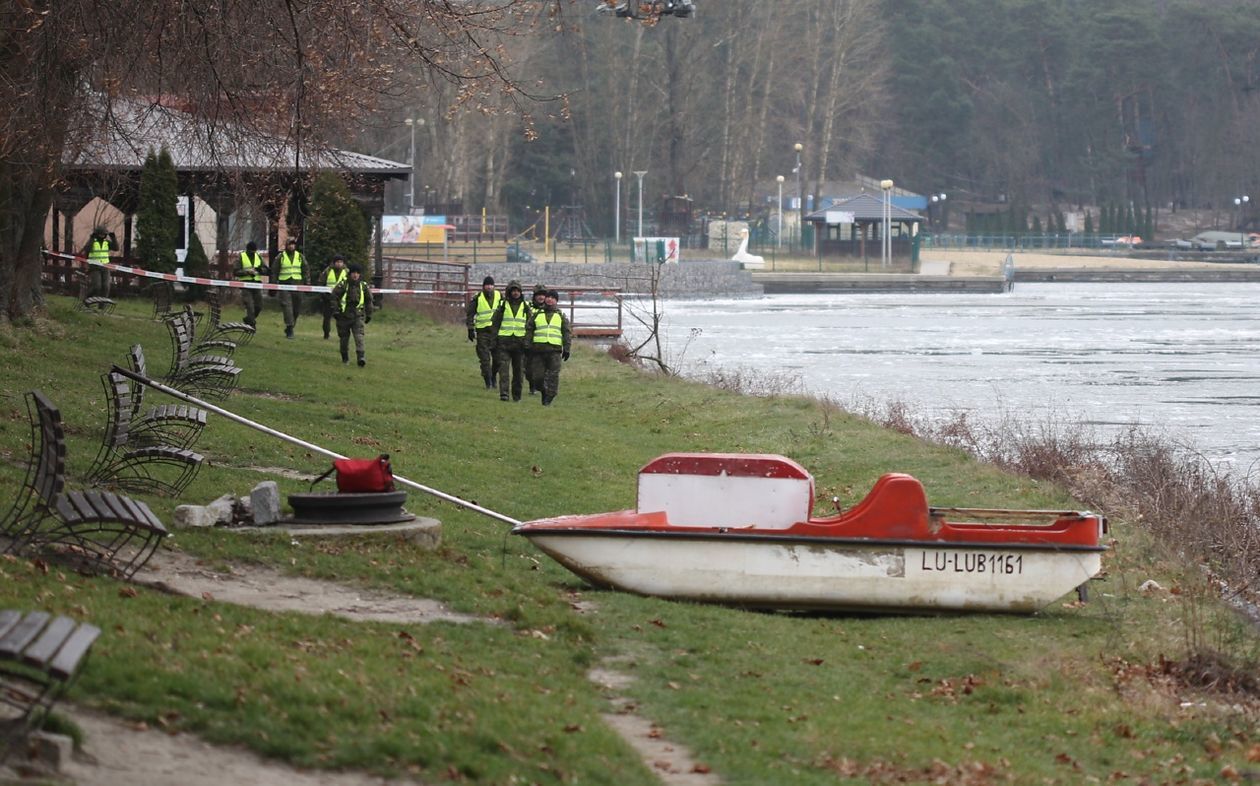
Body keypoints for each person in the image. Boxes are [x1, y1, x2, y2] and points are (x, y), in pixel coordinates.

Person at [524, 289, 572, 406]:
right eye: (548, 297)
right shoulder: (537, 315)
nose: (550, 299)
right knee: (537, 378)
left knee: (553, 375)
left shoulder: (560, 316)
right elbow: (529, 330)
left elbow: (566, 333)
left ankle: (549, 397)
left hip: (554, 351)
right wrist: (527, 345)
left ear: (556, 301)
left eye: (553, 298)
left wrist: (567, 349)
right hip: (538, 351)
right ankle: (544, 391)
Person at [490, 280, 531, 402]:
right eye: (513, 291)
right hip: (504, 343)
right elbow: (495, 324)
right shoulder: (502, 306)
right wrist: (493, 341)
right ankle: (504, 394)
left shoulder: (525, 307)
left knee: (518, 373)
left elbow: (530, 326)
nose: (516, 293)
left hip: (520, 344)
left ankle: (517, 396)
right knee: (504, 371)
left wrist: (528, 343)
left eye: (518, 291)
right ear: (509, 292)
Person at [331, 264, 373, 366]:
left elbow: (369, 300)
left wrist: (369, 314)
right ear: (350, 274)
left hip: (357, 315)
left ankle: (361, 358)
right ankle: (345, 358)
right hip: (343, 315)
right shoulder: (343, 284)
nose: (355, 275)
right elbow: (334, 297)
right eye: (353, 273)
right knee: (344, 338)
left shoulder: (363, 286)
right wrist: (335, 311)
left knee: (359, 336)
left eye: (357, 273)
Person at [465, 275, 501, 388]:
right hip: (482, 332)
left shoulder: (500, 296)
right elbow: (470, 314)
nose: (489, 287)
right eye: (487, 285)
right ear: (483, 286)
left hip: (496, 333)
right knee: (485, 359)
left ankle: (493, 375)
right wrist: (470, 329)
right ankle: (488, 381)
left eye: (491, 285)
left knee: (498, 359)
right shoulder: (477, 298)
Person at [275, 238, 307, 339]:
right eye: (290, 244)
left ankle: (291, 326)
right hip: (284, 285)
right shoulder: (281, 257)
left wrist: (307, 283)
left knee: (296, 309)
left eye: (293, 244)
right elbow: (274, 271)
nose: (291, 246)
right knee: (287, 307)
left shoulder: (300, 257)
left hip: (298, 285)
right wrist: (273, 286)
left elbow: (306, 270)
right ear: (286, 245)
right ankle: (290, 329)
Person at [233, 241, 270, 327]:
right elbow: (235, 271)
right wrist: (246, 272)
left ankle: (249, 319)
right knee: (249, 305)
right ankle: (252, 324)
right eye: (251, 252)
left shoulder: (258, 256)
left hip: (256, 284)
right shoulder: (241, 257)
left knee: (259, 306)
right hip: (245, 284)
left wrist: (260, 270)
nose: (253, 253)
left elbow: (265, 269)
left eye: (254, 251)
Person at [81, 226, 117, 308]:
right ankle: (87, 299)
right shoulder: (93, 242)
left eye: (104, 234)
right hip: (95, 267)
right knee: (97, 286)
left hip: (105, 266)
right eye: (101, 234)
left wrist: (113, 238)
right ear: (97, 234)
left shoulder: (106, 242)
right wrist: (91, 238)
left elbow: (116, 248)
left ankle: (102, 306)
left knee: (106, 287)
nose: (102, 236)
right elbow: (87, 249)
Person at [318, 255, 348, 339]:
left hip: (342, 299)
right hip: (328, 298)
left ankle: (342, 334)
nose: (339, 264)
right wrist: (323, 295)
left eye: (341, 262)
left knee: (342, 318)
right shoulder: (327, 271)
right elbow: (321, 283)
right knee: (327, 318)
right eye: (337, 262)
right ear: (334, 263)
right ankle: (326, 334)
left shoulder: (346, 271)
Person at [527, 283, 548, 395]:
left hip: (543, 343)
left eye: (543, 295)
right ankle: (532, 386)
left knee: (543, 368)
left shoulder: (549, 309)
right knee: (528, 369)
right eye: (538, 295)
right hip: (530, 343)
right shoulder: (527, 307)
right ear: (534, 296)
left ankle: (541, 387)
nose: (541, 297)